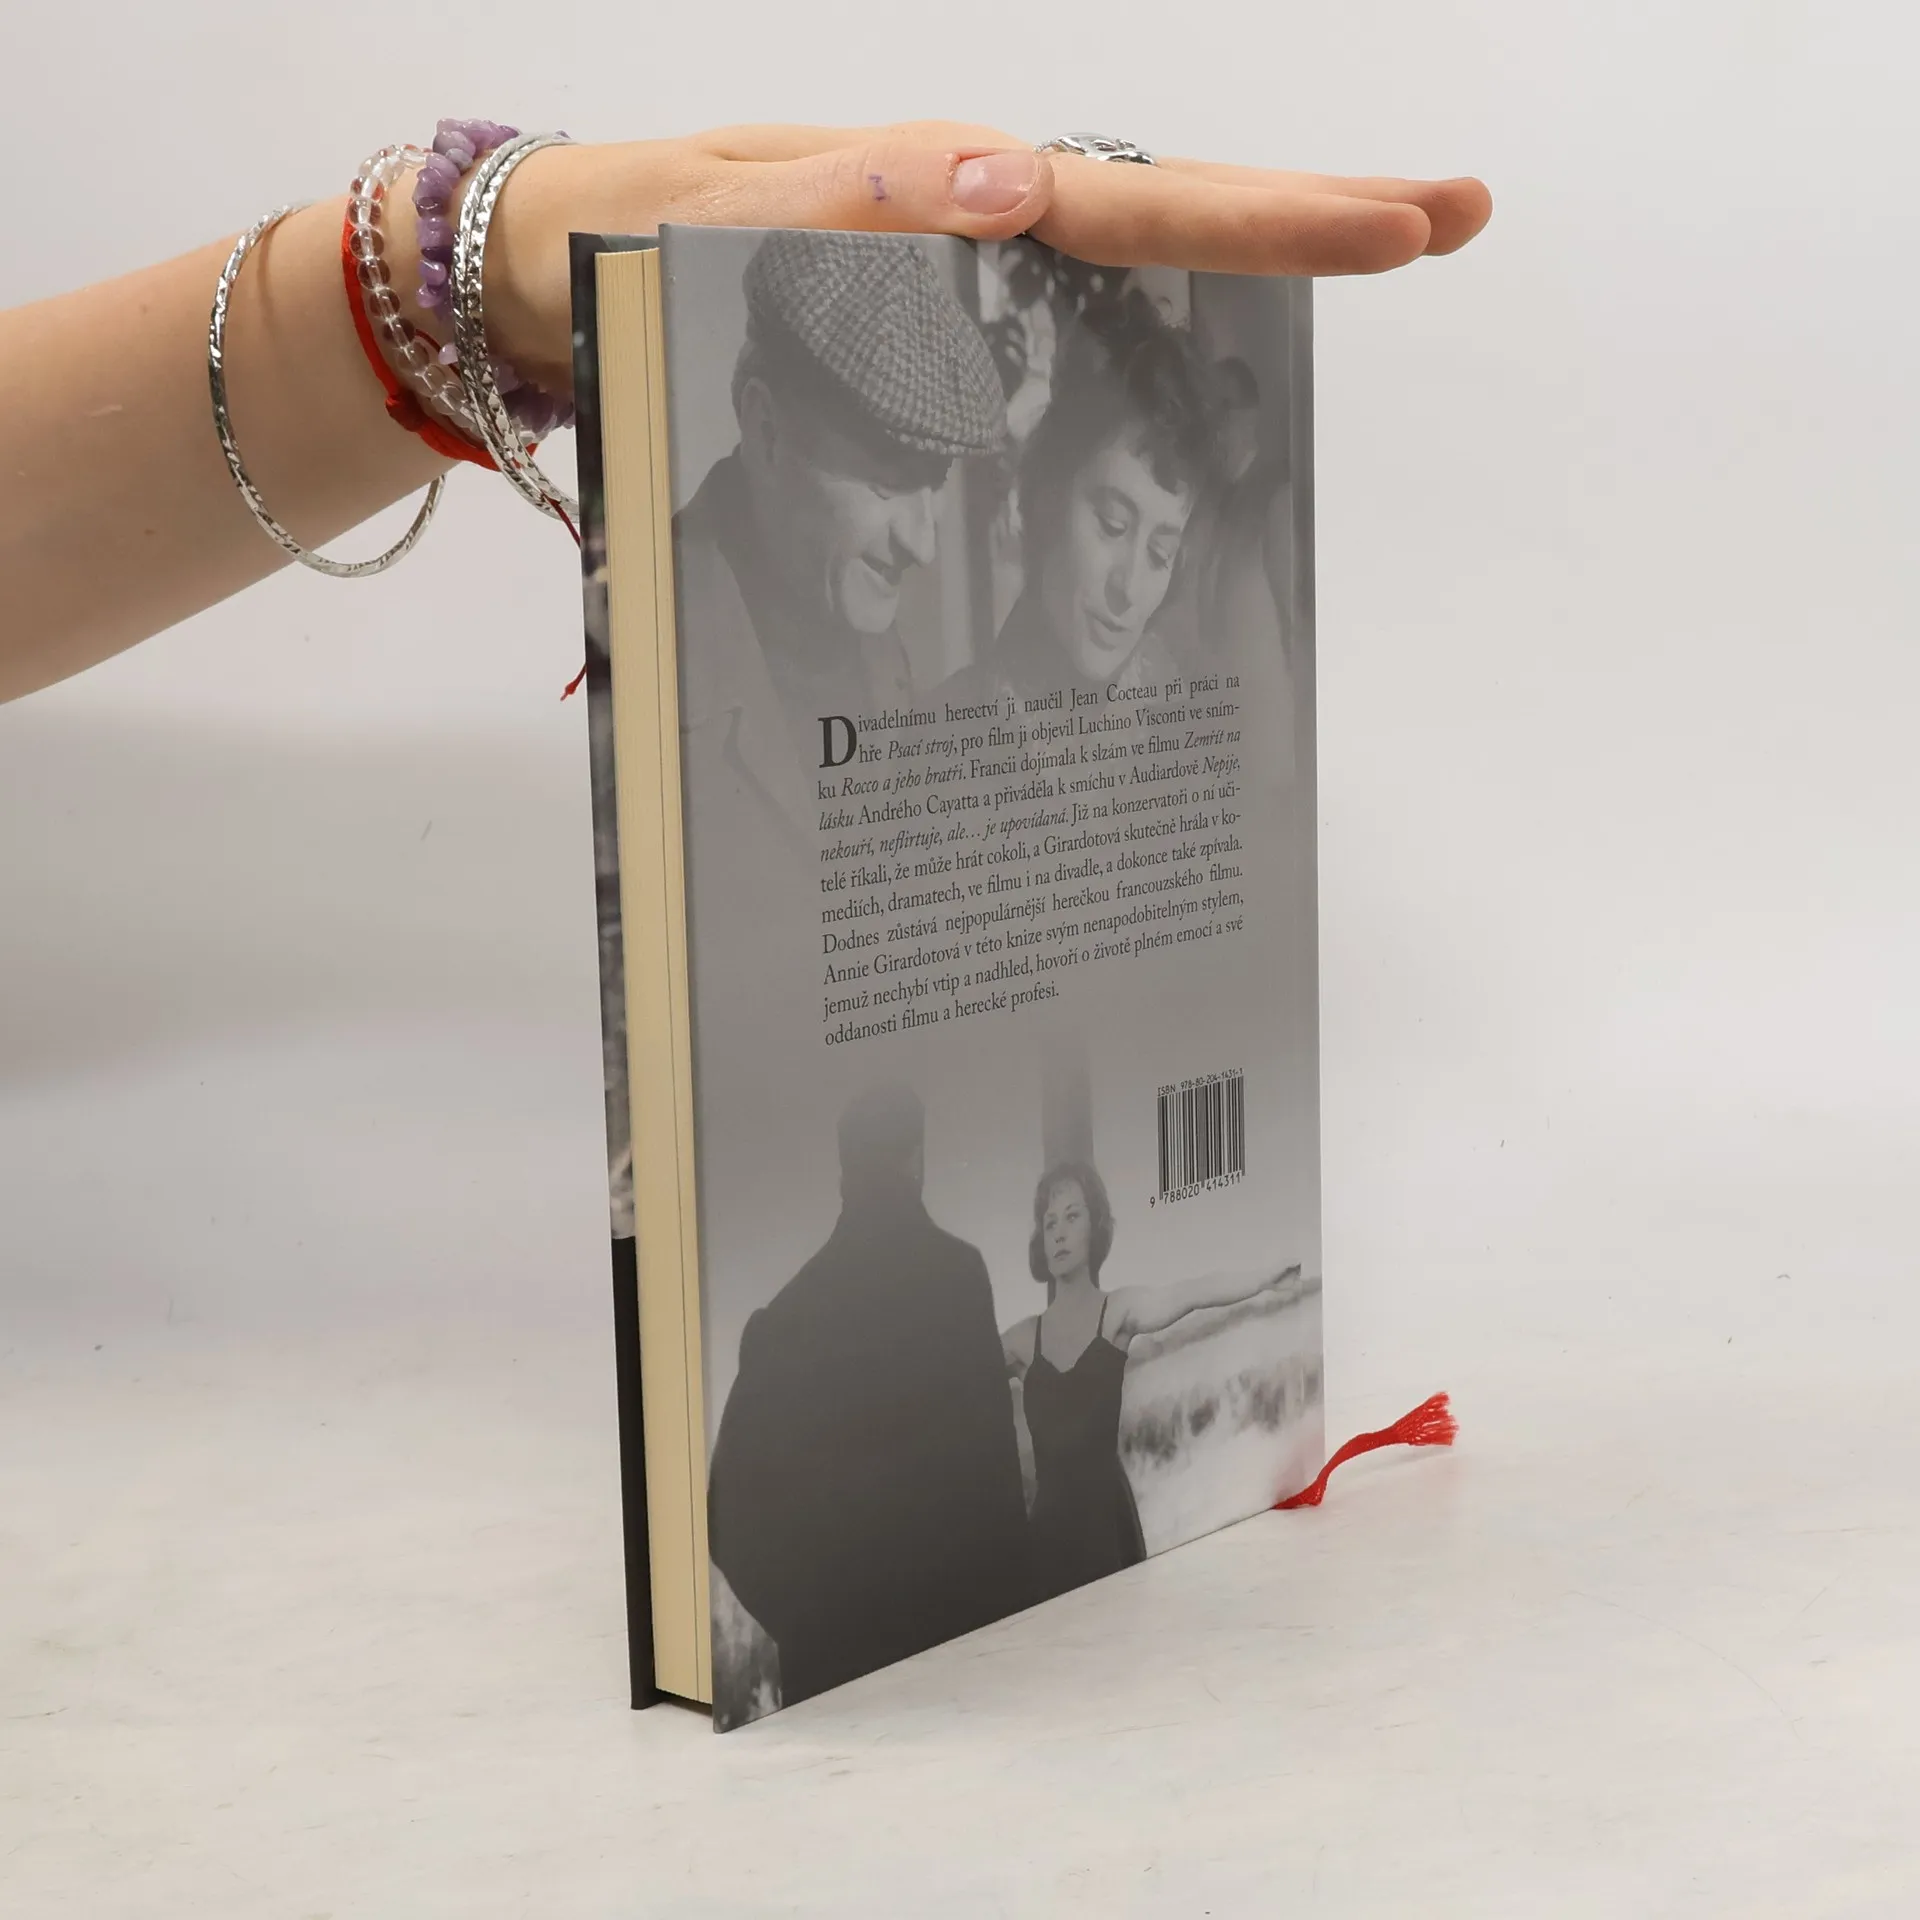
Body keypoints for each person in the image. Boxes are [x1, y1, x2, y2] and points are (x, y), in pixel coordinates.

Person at [0, 120, 1490, 708]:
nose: (919, 538)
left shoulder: (884, 658)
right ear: (764, 425)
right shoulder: (714, 659)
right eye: (891, 475)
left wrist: (471, 274)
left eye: (933, 487)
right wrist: (456, 266)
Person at [706, 1084, 1034, 1711]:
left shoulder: (782, 1322)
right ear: (917, 1160)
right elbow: (995, 1494)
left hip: (836, 1686)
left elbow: (725, 1517)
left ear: (843, 1172)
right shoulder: (958, 1276)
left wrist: (813, 1626)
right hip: (963, 1666)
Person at [1002, 1160, 1300, 1601]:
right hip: (1049, 1533)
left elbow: (1190, 1294)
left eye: (1072, 1216)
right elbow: (953, 1376)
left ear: (1094, 1227)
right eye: (1050, 1223)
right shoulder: (1022, 1340)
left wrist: (1264, 1278)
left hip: (1107, 1524)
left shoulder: (1117, 1313)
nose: (1059, 1233)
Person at [941, 291, 1226, 705]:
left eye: (1160, 554)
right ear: (1048, 496)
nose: (1128, 588)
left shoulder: (1191, 715)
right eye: (1113, 525)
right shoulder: (951, 720)